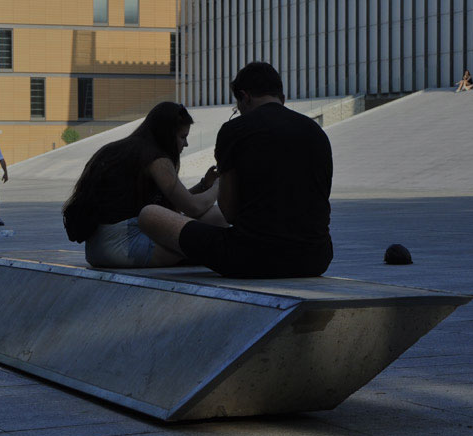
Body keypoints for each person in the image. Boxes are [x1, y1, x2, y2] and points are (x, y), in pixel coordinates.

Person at [138, 62, 333, 279]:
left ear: (244, 97)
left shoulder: (235, 130)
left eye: (237, 107)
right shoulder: (316, 132)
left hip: (251, 258)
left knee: (150, 215)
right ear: (282, 98)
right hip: (316, 259)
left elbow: (229, 212)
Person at [62, 102, 224, 268]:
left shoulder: (120, 150)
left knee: (202, 228)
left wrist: (204, 185)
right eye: (183, 137)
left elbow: (174, 200)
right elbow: (193, 208)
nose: (186, 144)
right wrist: (220, 185)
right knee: (215, 217)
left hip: (96, 250)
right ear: (167, 135)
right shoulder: (156, 159)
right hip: (125, 246)